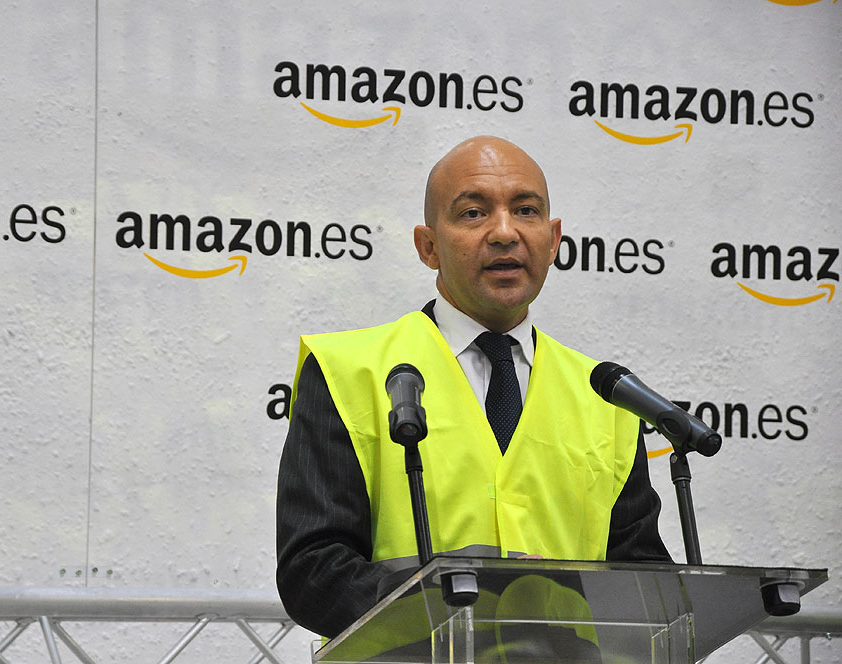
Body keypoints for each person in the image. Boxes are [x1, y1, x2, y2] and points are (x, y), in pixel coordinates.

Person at [276, 136, 671, 639]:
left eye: (525, 211)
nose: (504, 233)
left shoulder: (605, 396)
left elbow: (642, 582)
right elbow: (312, 571)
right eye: (473, 213)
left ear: (553, 240)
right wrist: (463, 606)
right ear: (428, 246)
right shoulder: (348, 371)